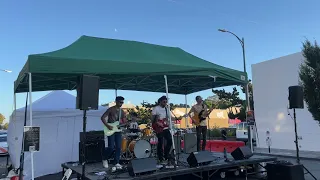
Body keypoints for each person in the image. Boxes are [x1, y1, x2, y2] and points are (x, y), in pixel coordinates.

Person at [101, 96, 126, 169]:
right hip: (110, 129)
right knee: (111, 147)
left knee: (118, 147)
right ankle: (105, 158)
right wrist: (107, 125)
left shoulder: (122, 111)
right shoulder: (111, 109)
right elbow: (102, 118)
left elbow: (123, 121)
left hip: (118, 130)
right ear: (116, 101)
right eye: (120, 102)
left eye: (122, 102)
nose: (121, 104)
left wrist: (126, 123)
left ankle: (116, 162)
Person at [151, 96, 176, 164]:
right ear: (160, 101)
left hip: (165, 128)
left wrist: (177, 118)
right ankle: (160, 158)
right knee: (160, 142)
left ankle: (166, 155)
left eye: (166, 102)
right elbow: (152, 120)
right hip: (158, 128)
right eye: (164, 101)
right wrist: (157, 123)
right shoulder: (156, 108)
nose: (165, 103)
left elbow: (169, 118)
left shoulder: (166, 109)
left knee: (170, 140)